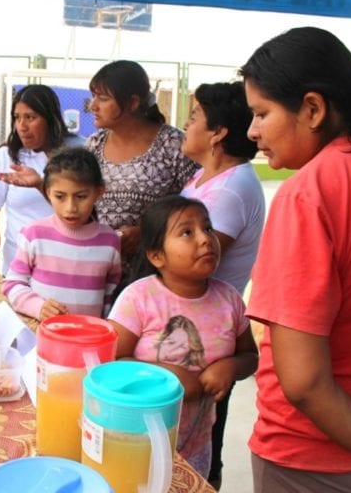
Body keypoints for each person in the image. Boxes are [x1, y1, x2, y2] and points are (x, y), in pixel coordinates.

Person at [240, 27, 351, 492]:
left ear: (313, 108)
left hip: (316, 458)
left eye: (261, 113)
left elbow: (305, 383)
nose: (252, 131)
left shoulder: (310, 193)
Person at [107, 195, 258, 478]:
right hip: (137, 439)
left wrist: (231, 366)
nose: (204, 239)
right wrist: (167, 376)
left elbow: (250, 357)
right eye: (187, 232)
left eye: (208, 228)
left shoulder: (230, 300)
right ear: (156, 256)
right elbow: (111, 361)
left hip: (196, 442)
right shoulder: (139, 298)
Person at [179, 81, 265, 489]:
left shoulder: (231, 189)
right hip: (188, 327)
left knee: (200, 444)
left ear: (217, 133)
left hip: (207, 340)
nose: (186, 123)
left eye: (194, 117)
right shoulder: (207, 177)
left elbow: (192, 265)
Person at [87, 60, 198, 263]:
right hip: (99, 269)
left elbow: (199, 207)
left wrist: (146, 233)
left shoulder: (173, 144)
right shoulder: (94, 144)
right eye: (94, 96)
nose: (93, 105)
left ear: (133, 103)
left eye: (102, 98)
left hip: (155, 270)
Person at [0, 84, 85, 274]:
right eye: (17, 118)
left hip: (66, 265)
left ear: (50, 119)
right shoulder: (7, 155)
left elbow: (84, 211)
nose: (22, 126)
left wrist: (39, 184)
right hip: (18, 267)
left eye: (30, 118)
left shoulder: (78, 152)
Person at [2, 147, 121, 321]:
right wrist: (38, 307)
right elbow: (12, 283)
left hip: (87, 339)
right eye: (60, 196)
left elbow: (110, 295)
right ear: (47, 192)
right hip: (43, 337)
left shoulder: (110, 241)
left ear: (98, 192)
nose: (70, 208)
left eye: (81, 196)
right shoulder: (34, 234)